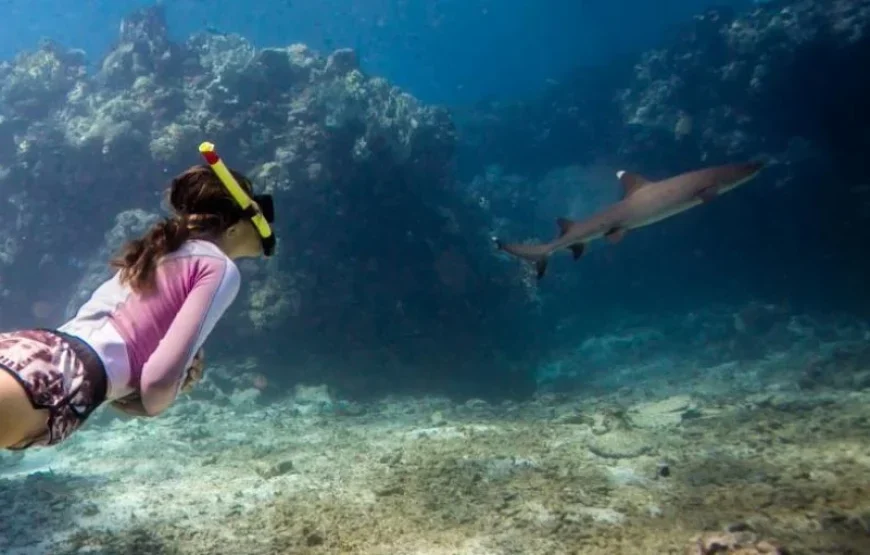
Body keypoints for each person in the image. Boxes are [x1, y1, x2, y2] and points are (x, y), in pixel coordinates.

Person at [0, 144, 276, 450]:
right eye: (262, 211)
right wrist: (167, 391)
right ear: (233, 229)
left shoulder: (159, 251)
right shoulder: (219, 267)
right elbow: (156, 385)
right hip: (58, 384)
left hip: (35, 352)